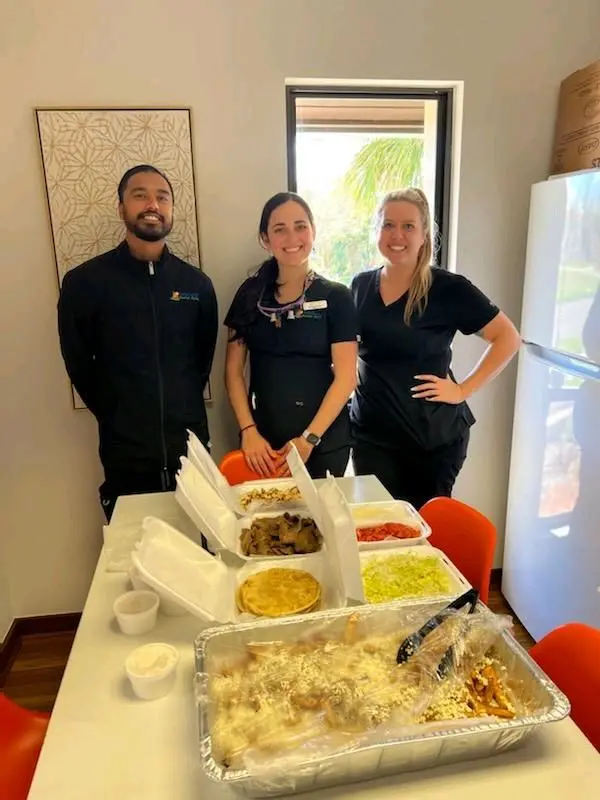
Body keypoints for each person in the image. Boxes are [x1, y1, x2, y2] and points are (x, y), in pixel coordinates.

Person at [58, 164, 218, 521]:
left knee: (199, 563)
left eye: (162, 197)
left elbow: (201, 362)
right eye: (140, 195)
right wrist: (119, 413)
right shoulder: (85, 283)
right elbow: (79, 363)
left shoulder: (197, 285)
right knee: (133, 562)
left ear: (171, 210)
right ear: (121, 208)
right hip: (125, 455)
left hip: (189, 453)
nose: (152, 204)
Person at [350, 188, 521, 510]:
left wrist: (463, 389)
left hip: (431, 439)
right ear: (377, 231)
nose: (397, 235)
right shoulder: (360, 286)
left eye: (408, 226)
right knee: (377, 527)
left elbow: (508, 337)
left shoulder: (448, 289)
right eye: (388, 225)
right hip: (371, 436)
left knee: (424, 535)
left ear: (425, 233)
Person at [224, 192, 358, 479]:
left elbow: (347, 377)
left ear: (313, 231)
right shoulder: (248, 295)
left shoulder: (337, 296)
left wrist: (309, 439)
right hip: (263, 446)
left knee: (321, 523)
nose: (291, 237)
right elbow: (233, 372)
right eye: (279, 229)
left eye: (300, 226)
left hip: (323, 443)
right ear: (265, 239)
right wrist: (248, 431)